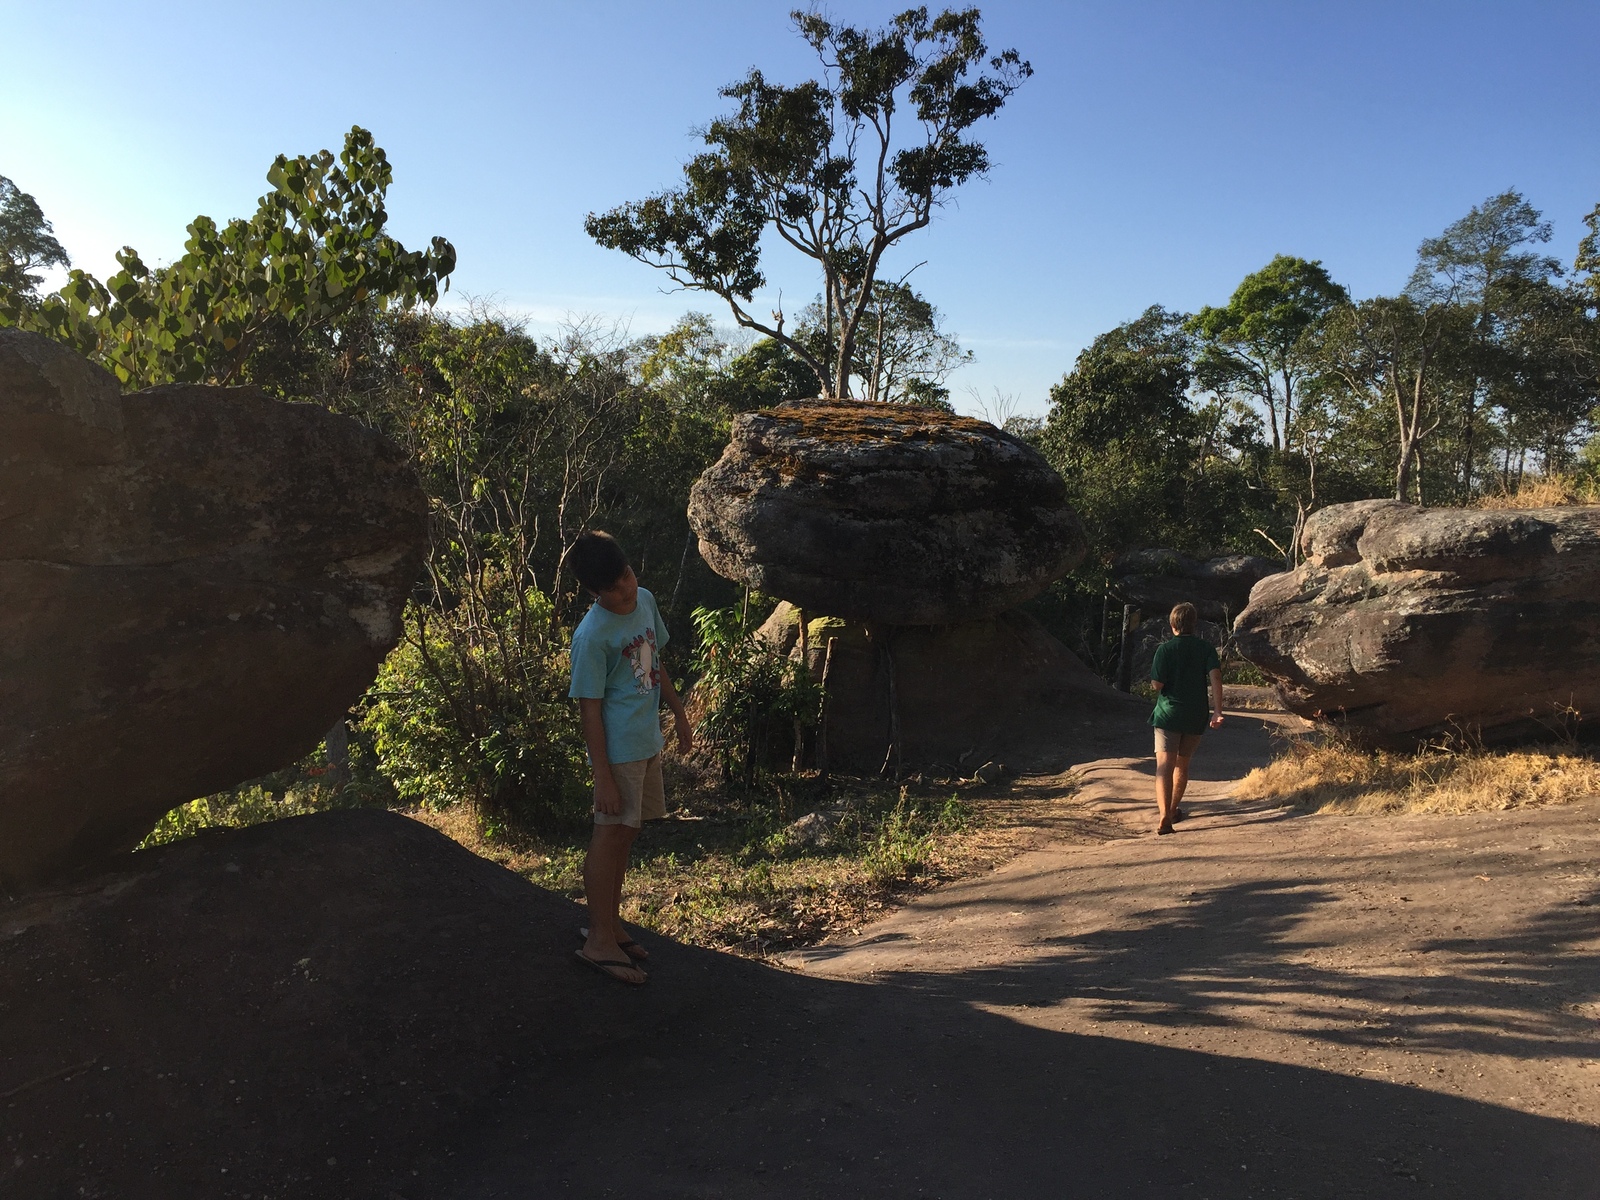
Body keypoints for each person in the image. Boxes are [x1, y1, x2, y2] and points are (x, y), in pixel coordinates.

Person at [567, 530, 693, 985]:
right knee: (609, 834)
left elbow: (652, 664)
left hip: (646, 741)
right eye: (614, 587)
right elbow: (590, 708)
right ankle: (598, 940)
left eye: (627, 576)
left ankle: (612, 924)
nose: (626, 590)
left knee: (625, 835)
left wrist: (679, 715)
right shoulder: (591, 636)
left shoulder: (645, 601)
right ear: (595, 593)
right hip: (617, 752)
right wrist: (602, 776)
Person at [1148, 601, 1224, 836]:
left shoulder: (1165, 650)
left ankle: (1163, 816)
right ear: (1194, 624)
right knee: (1182, 764)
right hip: (1195, 714)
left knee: (1164, 765)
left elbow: (1157, 684)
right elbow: (1216, 677)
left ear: (1173, 625)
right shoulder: (1206, 649)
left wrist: (1156, 683)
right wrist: (1218, 710)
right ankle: (1172, 811)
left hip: (1168, 714)